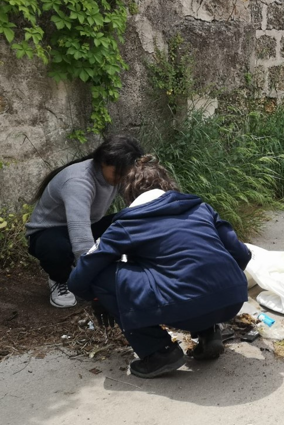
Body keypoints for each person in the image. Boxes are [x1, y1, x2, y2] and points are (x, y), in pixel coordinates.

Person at [68, 155, 251, 379]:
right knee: (191, 269)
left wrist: (99, 299)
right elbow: (242, 253)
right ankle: (209, 331)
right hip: (232, 302)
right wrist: (224, 286)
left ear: (129, 195)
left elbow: (80, 278)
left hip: (185, 310)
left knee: (100, 276)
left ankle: (159, 352)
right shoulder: (201, 208)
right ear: (168, 185)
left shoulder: (128, 223)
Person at [26, 135, 144, 308]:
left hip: (87, 225)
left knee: (132, 220)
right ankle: (60, 279)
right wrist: (95, 285)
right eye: (118, 173)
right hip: (48, 233)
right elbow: (81, 239)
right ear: (103, 162)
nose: (122, 178)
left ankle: (123, 270)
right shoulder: (78, 181)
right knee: (56, 249)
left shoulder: (118, 174)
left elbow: (139, 204)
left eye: (126, 173)